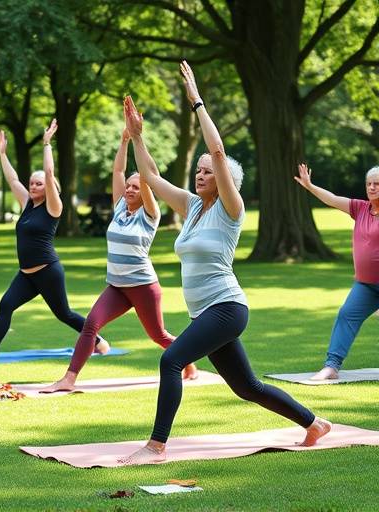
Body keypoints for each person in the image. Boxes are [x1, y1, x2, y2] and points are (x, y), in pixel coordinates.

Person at [118, 61, 331, 465]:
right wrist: (137, 137)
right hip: (206, 313)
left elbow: (217, 151)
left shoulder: (231, 209)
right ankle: (313, 422)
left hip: (226, 308)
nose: (200, 175)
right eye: (197, 171)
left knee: (172, 359)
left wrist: (196, 100)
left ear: (222, 178)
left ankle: (156, 446)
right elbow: (148, 176)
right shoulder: (192, 206)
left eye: (206, 172)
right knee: (247, 386)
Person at [39, 125, 197, 392]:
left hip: (143, 286)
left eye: (136, 187)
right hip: (117, 286)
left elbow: (146, 177)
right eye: (128, 187)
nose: (130, 190)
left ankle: (188, 360)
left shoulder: (149, 214)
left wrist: (138, 139)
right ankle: (69, 378)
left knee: (158, 335)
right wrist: (123, 141)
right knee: (90, 324)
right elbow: (118, 172)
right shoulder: (120, 207)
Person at [0, 120, 108, 364]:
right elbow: (13, 180)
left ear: (49, 187)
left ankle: (97, 341)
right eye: (32, 183)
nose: (33, 186)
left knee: (63, 314)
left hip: (48, 271)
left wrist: (46, 144)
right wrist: (2, 155)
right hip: (26, 274)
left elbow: (50, 172)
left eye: (38, 183)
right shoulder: (27, 204)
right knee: (6, 305)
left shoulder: (53, 206)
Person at [295, 163, 379, 380]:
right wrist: (310, 186)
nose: (372, 188)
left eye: (377, 184)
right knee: (346, 315)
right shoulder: (361, 208)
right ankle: (331, 367)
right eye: (369, 184)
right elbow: (331, 199)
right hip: (366, 285)